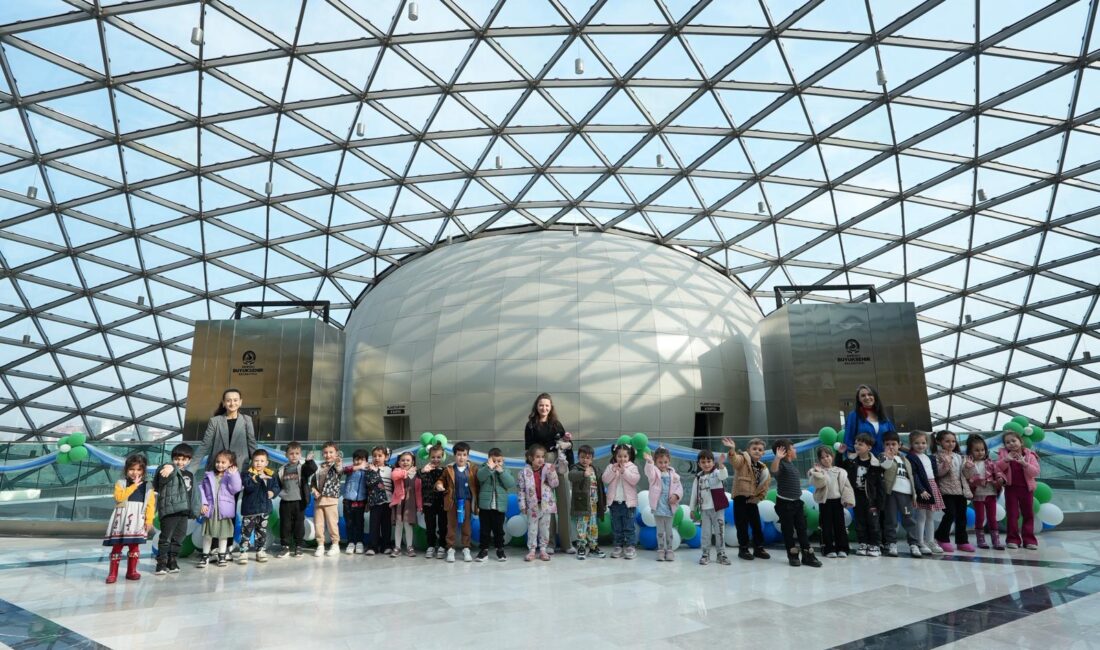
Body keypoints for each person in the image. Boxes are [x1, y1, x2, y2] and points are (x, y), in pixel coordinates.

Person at [190, 388, 256, 559]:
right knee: (212, 508)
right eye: (228, 400)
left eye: (235, 400)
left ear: (240, 402)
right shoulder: (215, 421)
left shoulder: (247, 420)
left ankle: (225, 547)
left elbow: (252, 445)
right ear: (224, 402)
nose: (232, 403)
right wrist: (190, 469)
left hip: (236, 472)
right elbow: (205, 445)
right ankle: (211, 546)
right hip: (216, 472)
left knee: (229, 509)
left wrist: (257, 469)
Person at [524, 393, 574, 553]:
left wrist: (569, 463)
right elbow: (529, 450)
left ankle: (567, 543)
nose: (544, 408)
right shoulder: (531, 425)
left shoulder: (556, 424)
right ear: (536, 406)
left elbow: (567, 444)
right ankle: (549, 543)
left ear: (551, 407)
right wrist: (533, 469)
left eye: (547, 405)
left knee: (564, 500)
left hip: (559, 464)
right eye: (541, 405)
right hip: (541, 465)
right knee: (547, 504)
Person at [104, 453, 156, 583]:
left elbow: (150, 505)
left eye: (139, 469)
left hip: (138, 518)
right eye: (132, 469)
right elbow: (119, 498)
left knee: (134, 546)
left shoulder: (148, 486)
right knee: (117, 546)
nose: (135, 472)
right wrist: (133, 486)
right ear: (126, 470)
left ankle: (131, 571)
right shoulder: (121, 483)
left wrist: (149, 520)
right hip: (122, 518)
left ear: (143, 471)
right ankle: (113, 573)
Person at [771, 440, 822, 567]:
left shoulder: (791, 465)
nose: (795, 450)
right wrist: (777, 458)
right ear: (785, 452)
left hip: (797, 503)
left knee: (802, 528)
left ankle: (807, 554)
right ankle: (792, 555)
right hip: (785, 503)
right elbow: (774, 471)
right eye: (793, 448)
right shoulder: (781, 464)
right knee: (788, 530)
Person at [153, 443, 198, 576]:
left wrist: (195, 510)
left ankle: (172, 560)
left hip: (184, 511)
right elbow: (160, 477)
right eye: (177, 459)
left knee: (178, 538)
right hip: (170, 511)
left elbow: (194, 493)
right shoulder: (168, 469)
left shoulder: (190, 474)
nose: (180, 462)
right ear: (172, 459)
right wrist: (168, 466)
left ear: (189, 460)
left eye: (184, 459)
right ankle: (161, 563)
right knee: (166, 538)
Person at [837, 433, 884, 557]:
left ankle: (875, 545)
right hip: (856, 495)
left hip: (870, 498)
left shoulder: (876, 463)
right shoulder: (852, 461)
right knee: (860, 521)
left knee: (873, 522)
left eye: (860, 444)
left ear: (869, 447)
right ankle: (863, 543)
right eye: (856, 443)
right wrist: (839, 454)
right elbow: (839, 468)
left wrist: (879, 503)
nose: (857, 446)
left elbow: (880, 485)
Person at [725, 436, 771, 561]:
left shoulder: (763, 468)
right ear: (748, 450)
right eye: (754, 449)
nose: (757, 451)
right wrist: (732, 450)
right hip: (740, 498)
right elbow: (734, 460)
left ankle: (758, 548)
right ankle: (743, 548)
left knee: (756, 524)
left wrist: (759, 498)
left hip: (753, 500)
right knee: (742, 525)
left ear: (763, 453)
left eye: (760, 449)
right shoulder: (743, 460)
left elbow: (764, 485)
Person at [994, 430, 1041, 550]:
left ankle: (1029, 540)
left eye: (1013, 440)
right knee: (1012, 514)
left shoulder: (1030, 455)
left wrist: (1024, 464)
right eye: (1007, 442)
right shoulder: (1004, 455)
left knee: (1028, 514)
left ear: (1021, 441)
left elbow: (1035, 472)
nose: (1011, 444)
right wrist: (1006, 460)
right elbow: (997, 468)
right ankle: (1012, 539)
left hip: (1027, 489)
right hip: (1011, 489)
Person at [518, 444, 565, 562]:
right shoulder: (523, 472)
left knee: (545, 529)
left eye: (543, 457)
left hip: (546, 505)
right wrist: (522, 505)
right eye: (537, 457)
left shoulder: (548, 468)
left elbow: (555, 484)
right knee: (532, 529)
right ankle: (532, 550)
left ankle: (543, 549)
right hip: (532, 506)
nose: (541, 459)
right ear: (530, 458)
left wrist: (552, 473)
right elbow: (521, 490)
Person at [880, 431, 922, 558]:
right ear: (884, 446)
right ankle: (891, 543)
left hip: (905, 494)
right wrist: (889, 457)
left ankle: (913, 544)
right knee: (891, 520)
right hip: (891, 493)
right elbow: (884, 465)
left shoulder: (905, 459)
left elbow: (911, 478)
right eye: (887, 444)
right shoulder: (882, 456)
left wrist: (914, 495)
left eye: (894, 444)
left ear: (899, 445)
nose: (891, 447)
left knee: (909, 519)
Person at [435, 441, 480, 563]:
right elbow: (441, 480)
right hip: (452, 501)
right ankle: (450, 549)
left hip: (467, 501)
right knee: (451, 526)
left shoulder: (473, 469)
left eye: (464, 454)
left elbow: (478, 484)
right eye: (459, 454)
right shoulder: (449, 469)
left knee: (466, 526)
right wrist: (439, 485)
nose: (461, 457)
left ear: (468, 456)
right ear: (454, 455)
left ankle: (466, 549)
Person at [198, 450, 242, 568]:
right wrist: (204, 504)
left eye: (223, 462)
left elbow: (236, 488)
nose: (220, 464)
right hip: (211, 511)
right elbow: (202, 490)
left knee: (224, 534)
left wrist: (233, 475)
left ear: (230, 463)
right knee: (207, 534)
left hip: (223, 512)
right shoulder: (209, 475)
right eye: (218, 462)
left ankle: (222, 556)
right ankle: (205, 556)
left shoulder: (231, 475)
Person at [808, 445, 854, 559]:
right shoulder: (816, 472)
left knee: (840, 526)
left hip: (838, 502)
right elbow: (818, 484)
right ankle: (828, 549)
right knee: (826, 526)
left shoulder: (840, 471)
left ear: (832, 457)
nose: (826, 459)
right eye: (822, 458)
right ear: (819, 460)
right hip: (825, 502)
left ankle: (842, 548)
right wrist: (818, 473)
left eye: (827, 456)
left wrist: (848, 500)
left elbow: (846, 487)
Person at [933, 430, 974, 553]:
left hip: (961, 491)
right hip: (946, 490)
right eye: (947, 441)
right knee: (950, 514)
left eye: (953, 441)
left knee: (962, 516)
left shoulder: (959, 457)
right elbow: (938, 473)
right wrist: (945, 464)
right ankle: (941, 537)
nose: (951, 444)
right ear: (939, 442)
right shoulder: (936, 456)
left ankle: (962, 541)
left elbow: (966, 475)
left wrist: (969, 468)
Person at [275, 441, 316, 558]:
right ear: (286, 455)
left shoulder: (302, 468)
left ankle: (299, 545)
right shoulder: (282, 469)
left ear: (300, 455)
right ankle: (285, 547)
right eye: (291, 453)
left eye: (297, 453)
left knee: (299, 524)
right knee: (285, 525)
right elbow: (277, 484)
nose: (294, 456)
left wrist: (309, 461)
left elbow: (312, 469)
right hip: (285, 502)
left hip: (299, 502)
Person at [239, 449, 280, 564]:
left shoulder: (271, 474)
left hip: (264, 509)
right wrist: (257, 478)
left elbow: (277, 487)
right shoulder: (247, 474)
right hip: (250, 510)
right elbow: (248, 487)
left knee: (261, 532)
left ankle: (260, 551)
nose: (259, 463)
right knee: (246, 532)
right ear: (252, 462)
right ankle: (243, 552)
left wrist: (273, 492)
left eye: (262, 461)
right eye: (256, 460)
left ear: (266, 463)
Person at [689, 449, 730, 566]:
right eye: (703, 462)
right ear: (699, 464)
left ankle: (721, 554)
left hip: (718, 509)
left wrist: (721, 465)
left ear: (713, 462)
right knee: (705, 533)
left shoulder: (717, 473)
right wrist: (692, 508)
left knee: (720, 532)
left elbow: (724, 475)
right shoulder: (697, 478)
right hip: (704, 510)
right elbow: (694, 494)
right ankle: (705, 553)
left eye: (709, 461)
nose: (706, 464)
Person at [906, 431, 944, 555]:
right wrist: (920, 489)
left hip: (932, 485)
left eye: (923, 443)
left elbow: (934, 474)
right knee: (921, 516)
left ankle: (930, 541)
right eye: (917, 443)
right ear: (911, 444)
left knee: (930, 516)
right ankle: (920, 542)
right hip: (922, 487)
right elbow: (914, 474)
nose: (920, 445)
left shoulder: (929, 457)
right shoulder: (911, 457)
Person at [964, 434, 1004, 550]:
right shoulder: (968, 464)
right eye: (976, 450)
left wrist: (1000, 479)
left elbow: (998, 472)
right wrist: (969, 469)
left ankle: (996, 541)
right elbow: (967, 477)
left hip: (990, 493)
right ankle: (980, 540)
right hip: (977, 495)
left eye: (982, 450)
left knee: (992, 517)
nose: (980, 452)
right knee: (980, 518)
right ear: (970, 451)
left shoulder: (990, 462)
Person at [644, 447, 683, 562]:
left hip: (669, 506)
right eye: (660, 462)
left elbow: (679, 488)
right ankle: (661, 550)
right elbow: (649, 472)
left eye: (665, 462)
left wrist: (676, 496)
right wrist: (649, 462)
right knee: (660, 530)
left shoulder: (674, 475)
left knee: (669, 530)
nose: (663, 464)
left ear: (669, 461)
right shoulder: (654, 474)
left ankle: (669, 550)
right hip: (658, 506)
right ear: (656, 462)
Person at [476, 447, 515, 562]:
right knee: (484, 530)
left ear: (503, 461)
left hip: (499, 507)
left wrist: (501, 472)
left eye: (499, 461)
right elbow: (479, 477)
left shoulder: (505, 471)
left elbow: (510, 483)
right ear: (489, 460)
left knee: (499, 530)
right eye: (494, 461)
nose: (496, 463)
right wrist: (489, 468)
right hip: (485, 507)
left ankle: (500, 550)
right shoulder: (484, 468)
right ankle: (484, 550)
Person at [601, 443, 640, 559]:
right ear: (615, 456)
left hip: (628, 504)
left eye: (625, 456)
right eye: (619, 456)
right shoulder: (611, 467)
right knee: (617, 527)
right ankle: (618, 545)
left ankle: (630, 546)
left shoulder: (632, 467)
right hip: (614, 503)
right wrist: (613, 470)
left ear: (629, 457)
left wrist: (624, 471)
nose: (622, 459)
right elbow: (605, 479)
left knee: (629, 527)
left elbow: (635, 480)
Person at [568, 444, 606, 560]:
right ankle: (581, 547)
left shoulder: (595, 469)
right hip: (582, 504)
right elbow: (571, 476)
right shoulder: (576, 468)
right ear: (578, 457)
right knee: (582, 527)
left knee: (593, 527)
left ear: (592, 459)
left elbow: (603, 481)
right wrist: (583, 474)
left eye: (588, 457)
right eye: (582, 457)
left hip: (594, 504)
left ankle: (593, 547)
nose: (585, 460)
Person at [310, 442, 343, 557]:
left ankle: (335, 544)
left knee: (332, 523)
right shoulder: (319, 466)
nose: (328, 455)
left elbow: (339, 469)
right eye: (325, 452)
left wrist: (338, 461)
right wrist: (314, 490)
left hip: (331, 499)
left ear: (336, 453)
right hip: (318, 500)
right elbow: (313, 482)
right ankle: (320, 545)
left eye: (331, 452)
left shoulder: (336, 465)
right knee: (318, 524)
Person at [843, 384, 896, 455]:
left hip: (884, 459)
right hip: (863, 461)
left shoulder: (883, 416)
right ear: (859, 399)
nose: (867, 397)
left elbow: (893, 437)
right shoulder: (854, 416)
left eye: (870, 394)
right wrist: (851, 458)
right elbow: (849, 440)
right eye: (863, 395)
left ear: (875, 397)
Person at [416, 444, 447, 559]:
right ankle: (431, 545)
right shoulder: (422, 471)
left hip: (442, 503)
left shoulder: (445, 471)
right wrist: (424, 471)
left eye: (438, 457)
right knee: (430, 525)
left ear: (442, 457)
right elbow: (419, 483)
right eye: (433, 457)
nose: (436, 459)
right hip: (429, 502)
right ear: (429, 457)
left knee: (443, 525)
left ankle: (442, 545)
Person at [363, 446, 392, 556]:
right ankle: (373, 547)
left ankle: (386, 546)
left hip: (389, 502)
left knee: (386, 525)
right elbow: (370, 483)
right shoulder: (369, 470)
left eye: (380, 456)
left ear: (386, 457)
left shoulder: (391, 469)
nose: (377, 458)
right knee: (374, 525)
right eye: (374, 456)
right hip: (375, 502)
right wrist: (375, 471)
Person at [390, 451, 418, 558]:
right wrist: (407, 472)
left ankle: (409, 546)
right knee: (398, 524)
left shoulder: (416, 474)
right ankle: (397, 547)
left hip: (410, 503)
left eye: (408, 460)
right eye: (402, 460)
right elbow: (395, 476)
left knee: (408, 525)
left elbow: (418, 491)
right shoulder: (396, 471)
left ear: (412, 462)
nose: (405, 462)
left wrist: (419, 505)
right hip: (399, 502)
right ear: (398, 462)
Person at [341, 449, 369, 554]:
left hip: (361, 501)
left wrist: (368, 502)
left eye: (361, 459)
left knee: (359, 523)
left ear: (366, 460)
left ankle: (359, 542)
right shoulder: (351, 469)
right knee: (349, 523)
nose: (358, 461)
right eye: (356, 459)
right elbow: (343, 470)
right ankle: (350, 542)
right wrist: (358, 467)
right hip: (348, 501)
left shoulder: (367, 471)